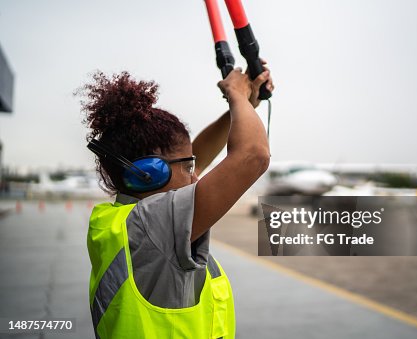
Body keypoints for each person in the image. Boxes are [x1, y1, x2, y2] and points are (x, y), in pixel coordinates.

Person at [80, 65, 273, 338]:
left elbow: (197, 155)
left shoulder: (118, 220)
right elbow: (253, 155)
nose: (196, 177)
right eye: (188, 167)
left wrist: (240, 108)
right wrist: (237, 94)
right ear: (149, 173)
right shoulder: (152, 225)